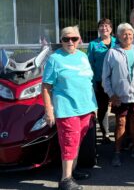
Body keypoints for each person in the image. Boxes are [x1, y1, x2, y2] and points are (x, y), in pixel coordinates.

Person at [42, 26, 97, 190]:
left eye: (74, 38)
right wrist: (48, 110)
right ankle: (65, 179)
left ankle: (72, 172)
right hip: (67, 108)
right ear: (61, 41)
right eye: (66, 39)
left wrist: (94, 106)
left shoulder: (83, 56)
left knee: (77, 141)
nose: (70, 42)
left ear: (79, 40)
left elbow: (88, 82)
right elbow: (46, 87)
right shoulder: (54, 59)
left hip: (85, 108)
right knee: (69, 142)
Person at [102, 23, 134, 167]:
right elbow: (105, 77)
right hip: (120, 96)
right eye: (124, 33)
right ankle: (117, 152)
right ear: (118, 36)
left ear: (133, 36)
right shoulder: (112, 53)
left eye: (130, 34)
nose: (127, 36)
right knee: (120, 122)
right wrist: (111, 94)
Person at [87, 18, 117, 144]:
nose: (104, 28)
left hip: (117, 81)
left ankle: (122, 134)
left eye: (107, 26)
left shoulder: (118, 41)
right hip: (100, 81)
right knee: (103, 108)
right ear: (98, 29)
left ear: (111, 29)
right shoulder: (94, 44)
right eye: (101, 26)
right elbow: (89, 64)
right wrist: (93, 83)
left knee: (119, 107)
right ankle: (106, 134)